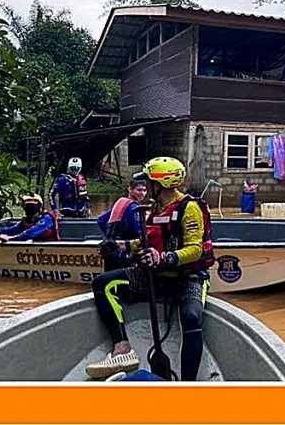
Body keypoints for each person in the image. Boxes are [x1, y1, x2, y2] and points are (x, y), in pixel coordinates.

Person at [85, 157, 215, 381]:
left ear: (160, 184)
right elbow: (146, 242)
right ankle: (122, 347)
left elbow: (195, 250)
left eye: (149, 182)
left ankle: (188, 385)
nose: (146, 187)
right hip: (159, 276)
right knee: (102, 283)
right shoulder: (155, 209)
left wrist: (163, 257)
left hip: (189, 278)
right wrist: (121, 245)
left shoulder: (189, 208)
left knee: (191, 317)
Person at [96, 173, 149, 271]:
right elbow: (138, 231)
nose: (142, 193)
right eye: (139, 190)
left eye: (144, 190)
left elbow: (101, 220)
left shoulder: (121, 203)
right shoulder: (135, 208)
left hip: (111, 250)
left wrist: (113, 235)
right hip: (124, 252)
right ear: (130, 189)